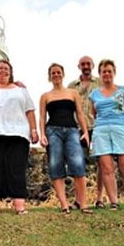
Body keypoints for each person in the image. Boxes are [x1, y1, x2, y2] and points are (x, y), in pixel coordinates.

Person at [0, 60, 38, 216]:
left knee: (16, 169)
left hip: (18, 134)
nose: (3, 71)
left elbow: (29, 110)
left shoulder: (21, 90)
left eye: (6, 68)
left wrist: (34, 130)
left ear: (10, 72)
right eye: (0, 68)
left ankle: (19, 206)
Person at [39, 63, 92, 214]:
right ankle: (64, 204)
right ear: (49, 76)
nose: (56, 75)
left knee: (77, 163)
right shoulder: (45, 96)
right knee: (56, 164)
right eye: (53, 73)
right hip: (53, 131)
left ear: (63, 74)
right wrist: (42, 134)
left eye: (58, 72)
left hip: (72, 130)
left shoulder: (73, 93)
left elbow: (80, 114)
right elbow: (42, 117)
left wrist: (85, 132)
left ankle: (83, 204)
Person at [89, 59, 124, 214]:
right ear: (100, 74)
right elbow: (94, 113)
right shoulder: (94, 94)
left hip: (121, 129)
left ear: (114, 73)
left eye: (109, 71)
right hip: (101, 131)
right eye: (104, 71)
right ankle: (114, 202)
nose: (107, 74)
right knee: (106, 168)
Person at [68, 56, 105, 208]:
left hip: (97, 126)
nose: (86, 66)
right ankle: (79, 199)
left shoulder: (100, 83)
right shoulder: (72, 85)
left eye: (88, 64)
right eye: (83, 64)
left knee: (102, 163)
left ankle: (100, 198)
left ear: (92, 65)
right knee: (79, 163)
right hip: (77, 127)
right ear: (79, 66)